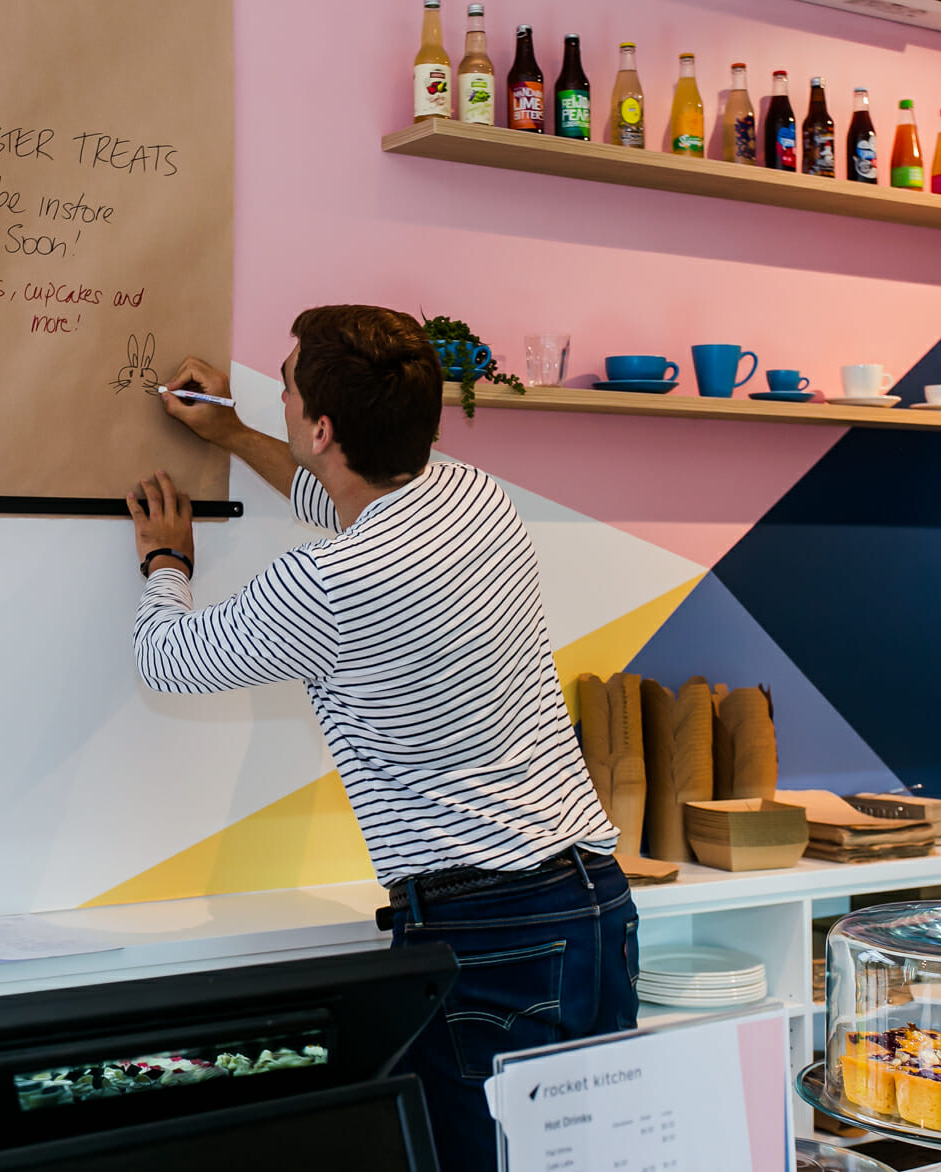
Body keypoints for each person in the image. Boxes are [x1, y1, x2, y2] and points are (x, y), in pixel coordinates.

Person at [126, 304, 639, 1172]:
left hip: (485, 935)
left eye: (284, 385)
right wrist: (237, 434)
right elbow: (342, 501)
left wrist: (166, 562)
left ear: (322, 427)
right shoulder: (472, 495)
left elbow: (168, 658)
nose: (278, 391)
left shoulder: (328, 584)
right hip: (594, 906)